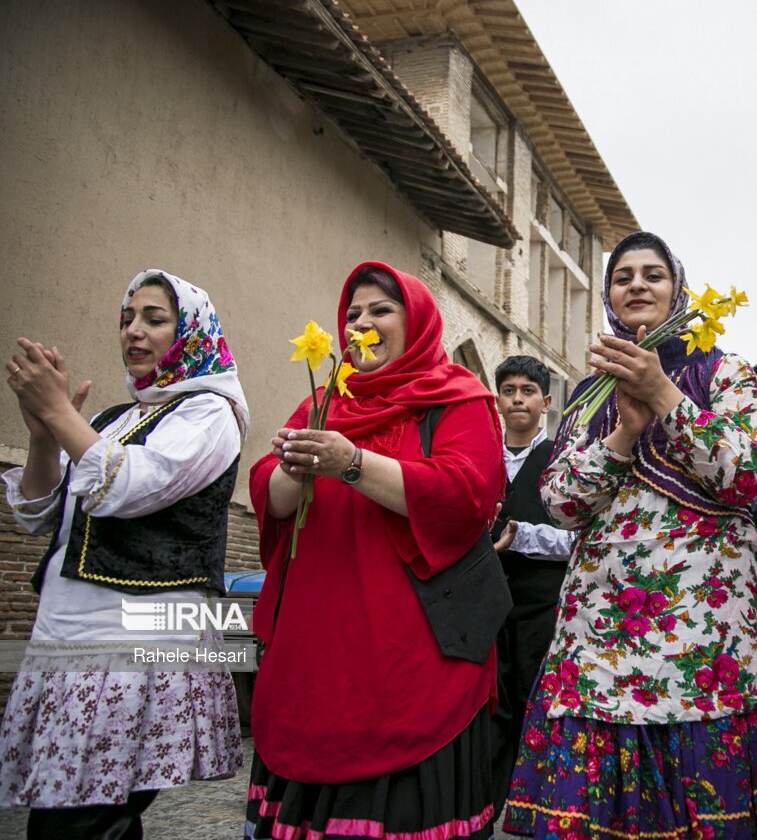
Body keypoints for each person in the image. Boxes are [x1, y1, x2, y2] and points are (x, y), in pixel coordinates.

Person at [502, 231, 757, 839]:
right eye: (623, 276)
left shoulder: (724, 370)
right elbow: (558, 503)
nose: (636, 285)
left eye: (653, 274)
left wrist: (664, 395)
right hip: (604, 629)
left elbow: (748, 474)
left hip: (703, 632)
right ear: (609, 296)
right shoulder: (587, 396)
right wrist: (623, 435)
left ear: (677, 288)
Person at [245, 262, 505, 840]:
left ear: (415, 324)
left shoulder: (457, 399)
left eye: (380, 311)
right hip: (316, 644)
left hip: (410, 647)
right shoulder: (326, 400)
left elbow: (467, 494)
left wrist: (353, 464)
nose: (360, 323)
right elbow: (268, 487)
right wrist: (294, 468)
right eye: (352, 314)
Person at [1, 270, 248, 838]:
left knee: (82, 818)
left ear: (191, 332)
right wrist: (44, 432)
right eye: (126, 318)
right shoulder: (114, 420)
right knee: (74, 813)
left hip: (139, 640)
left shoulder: (208, 414)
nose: (134, 332)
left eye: (154, 320)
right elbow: (38, 512)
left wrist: (62, 415)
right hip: (68, 636)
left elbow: (130, 487)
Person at [488, 354, 574, 828]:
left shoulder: (562, 460)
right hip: (487, 609)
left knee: (535, 707)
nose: (518, 399)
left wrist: (522, 535)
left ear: (545, 402)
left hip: (543, 609)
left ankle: (538, 811)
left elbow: (580, 540)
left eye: (527, 391)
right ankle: (486, 804)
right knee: (491, 709)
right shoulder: (480, 455)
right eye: (509, 390)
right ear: (498, 398)